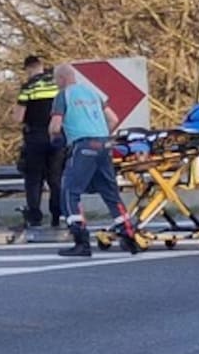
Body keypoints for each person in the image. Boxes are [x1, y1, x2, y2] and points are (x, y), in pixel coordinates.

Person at [48, 63, 138, 257]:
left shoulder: (63, 96)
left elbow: (55, 127)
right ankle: (129, 234)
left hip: (82, 146)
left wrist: (55, 139)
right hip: (104, 145)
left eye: (56, 80)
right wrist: (103, 136)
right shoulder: (92, 93)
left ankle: (81, 241)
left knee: (69, 192)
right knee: (110, 192)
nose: (56, 84)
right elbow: (113, 119)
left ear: (62, 79)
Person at [13, 55, 64, 228]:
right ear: (42, 66)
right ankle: (57, 216)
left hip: (35, 136)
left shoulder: (28, 87)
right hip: (57, 136)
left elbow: (18, 117)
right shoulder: (57, 84)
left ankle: (34, 217)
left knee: (34, 179)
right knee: (56, 178)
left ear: (28, 68)